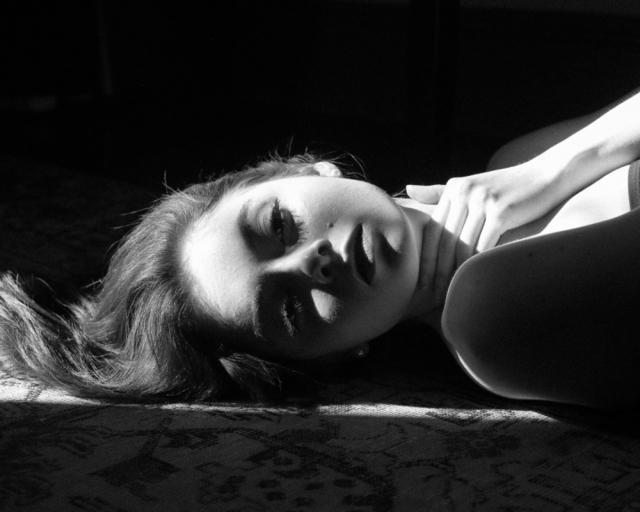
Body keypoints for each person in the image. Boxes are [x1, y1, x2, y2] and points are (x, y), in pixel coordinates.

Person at [2, 87, 640, 408]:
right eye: (288, 307)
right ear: (336, 356)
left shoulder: (516, 158)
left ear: (310, 169)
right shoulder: (490, 319)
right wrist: (563, 166)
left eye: (279, 226)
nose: (312, 263)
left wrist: (546, 169)